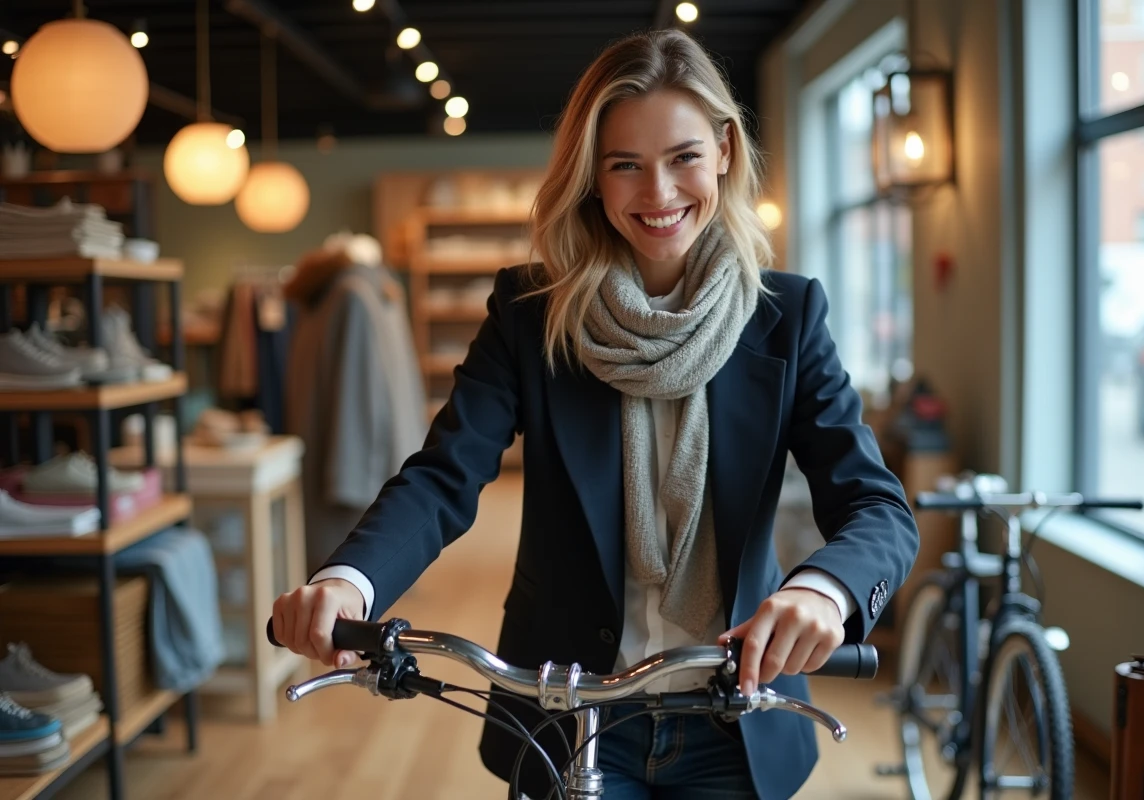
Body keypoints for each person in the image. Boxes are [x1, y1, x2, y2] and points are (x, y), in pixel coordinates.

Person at [271, 28, 919, 800]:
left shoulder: (786, 315)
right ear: (591, 178)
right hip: (565, 708)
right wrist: (350, 582)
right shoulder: (530, 313)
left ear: (723, 150)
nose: (658, 193)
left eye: (682, 157)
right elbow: (445, 476)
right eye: (625, 166)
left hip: (734, 718)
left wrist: (826, 592)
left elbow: (877, 508)